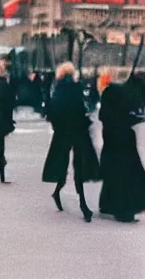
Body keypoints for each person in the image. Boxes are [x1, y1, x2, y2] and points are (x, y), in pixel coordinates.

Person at [42, 62, 100, 222]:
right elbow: (81, 108)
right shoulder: (76, 88)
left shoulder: (58, 89)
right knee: (78, 166)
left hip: (63, 132)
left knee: (62, 164)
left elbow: (53, 111)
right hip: (78, 131)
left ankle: (59, 191)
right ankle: (83, 205)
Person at [98, 82, 145, 222]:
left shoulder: (108, 115)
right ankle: (123, 210)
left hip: (112, 151)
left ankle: (108, 206)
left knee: (113, 179)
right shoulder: (120, 119)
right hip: (122, 151)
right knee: (125, 180)